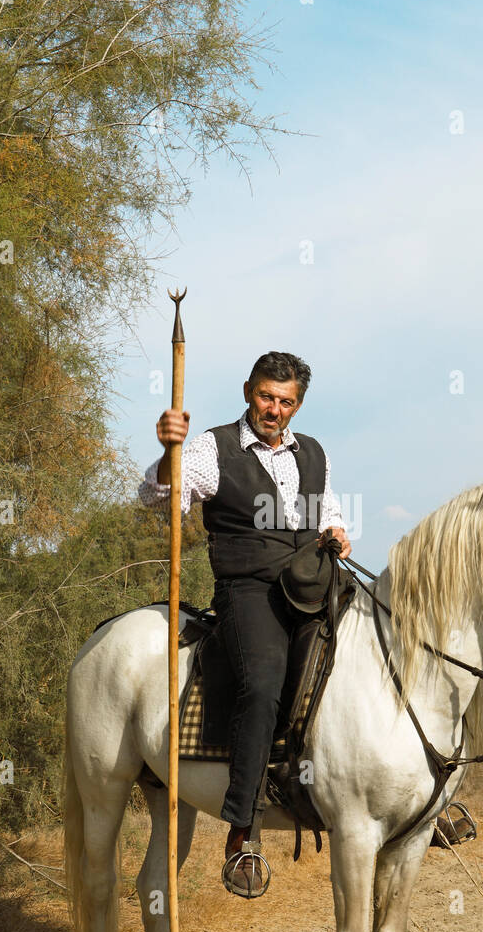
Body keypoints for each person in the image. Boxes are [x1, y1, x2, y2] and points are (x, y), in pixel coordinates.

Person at [139, 350, 350, 893]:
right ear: (247, 392)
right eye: (265, 396)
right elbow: (160, 498)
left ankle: (413, 790)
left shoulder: (315, 453)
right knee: (263, 684)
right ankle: (243, 830)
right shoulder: (214, 447)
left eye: (285, 401)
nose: (274, 409)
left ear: (297, 406)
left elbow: (327, 511)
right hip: (248, 590)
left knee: (372, 645)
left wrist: (337, 534)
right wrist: (170, 454)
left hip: (313, 581)